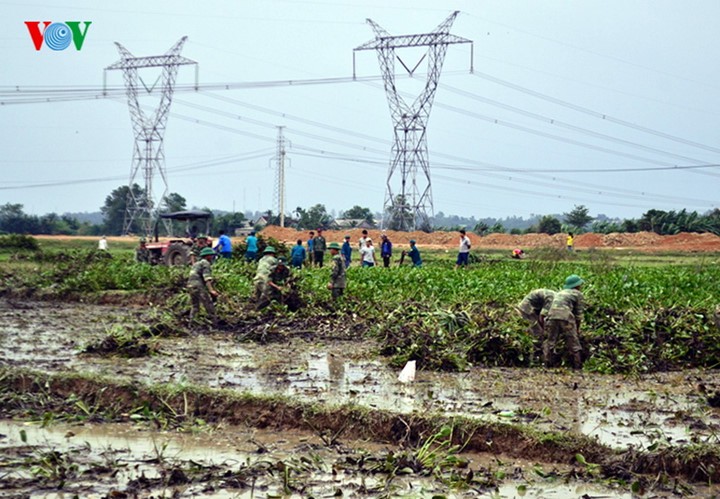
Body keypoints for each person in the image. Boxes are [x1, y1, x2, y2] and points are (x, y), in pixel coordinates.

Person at [543, 274, 585, 369]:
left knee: (550, 341)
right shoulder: (577, 294)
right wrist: (577, 330)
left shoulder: (560, 292)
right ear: (577, 285)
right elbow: (578, 315)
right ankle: (578, 366)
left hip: (551, 316)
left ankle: (546, 365)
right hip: (565, 316)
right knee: (574, 343)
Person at [187, 247, 220, 327]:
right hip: (198, 286)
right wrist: (211, 290)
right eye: (211, 255)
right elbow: (207, 278)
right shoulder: (205, 263)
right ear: (207, 256)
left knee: (195, 306)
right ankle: (214, 324)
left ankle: (191, 324)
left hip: (190, 285)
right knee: (208, 304)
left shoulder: (196, 264)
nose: (212, 257)